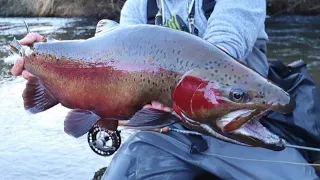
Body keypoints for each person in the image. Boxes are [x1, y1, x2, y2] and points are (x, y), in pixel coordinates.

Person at [11, 0, 320, 179]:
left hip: (235, 133)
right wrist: (51, 59)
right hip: (164, 136)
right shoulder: (139, 4)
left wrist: (233, 95)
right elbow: (109, 50)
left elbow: (226, 40)